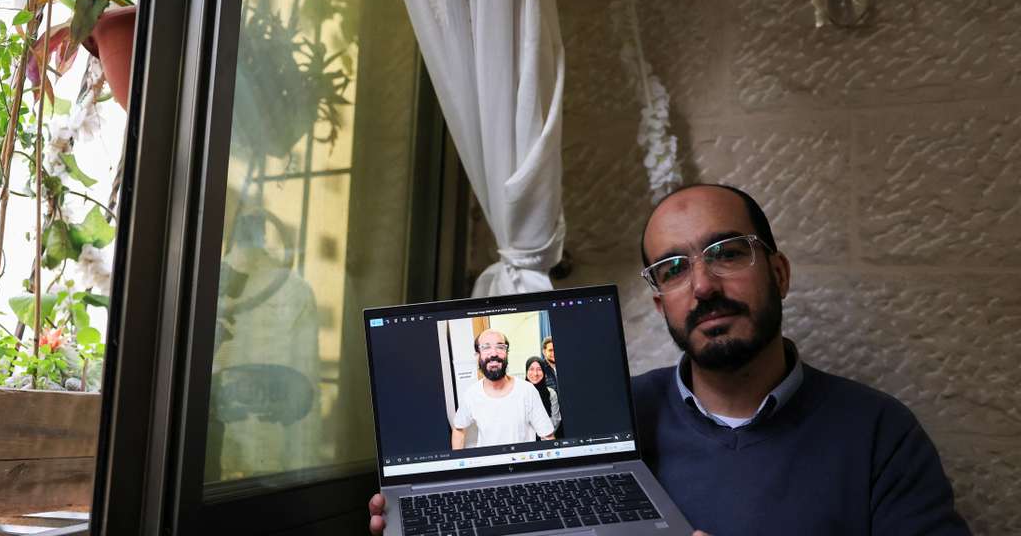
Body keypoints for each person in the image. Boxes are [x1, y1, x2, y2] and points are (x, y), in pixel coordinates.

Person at [369, 184, 970, 536]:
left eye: (726, 253)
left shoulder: (880, 434)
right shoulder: (614, 416)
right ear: (661, 304)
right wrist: (432, 516)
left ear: (779, 273)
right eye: (674, 270)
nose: (703, 286)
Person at [450, 329, 555, 450]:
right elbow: (458, 428)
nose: (494, 353)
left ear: (507, 354)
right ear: (477, 355)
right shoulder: (471, 394)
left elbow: (547, 436)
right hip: (488, 466)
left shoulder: (527, 391)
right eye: (486, 347)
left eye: (500, 347)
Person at [524, 355, 561, 436]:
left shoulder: (551, 393)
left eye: (539, 369)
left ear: (544, 372)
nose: (535, 373)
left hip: (547, 437)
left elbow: (556, 420)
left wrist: (543, 434)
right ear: (526, 371)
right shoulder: (521, 393)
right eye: (531, 369)